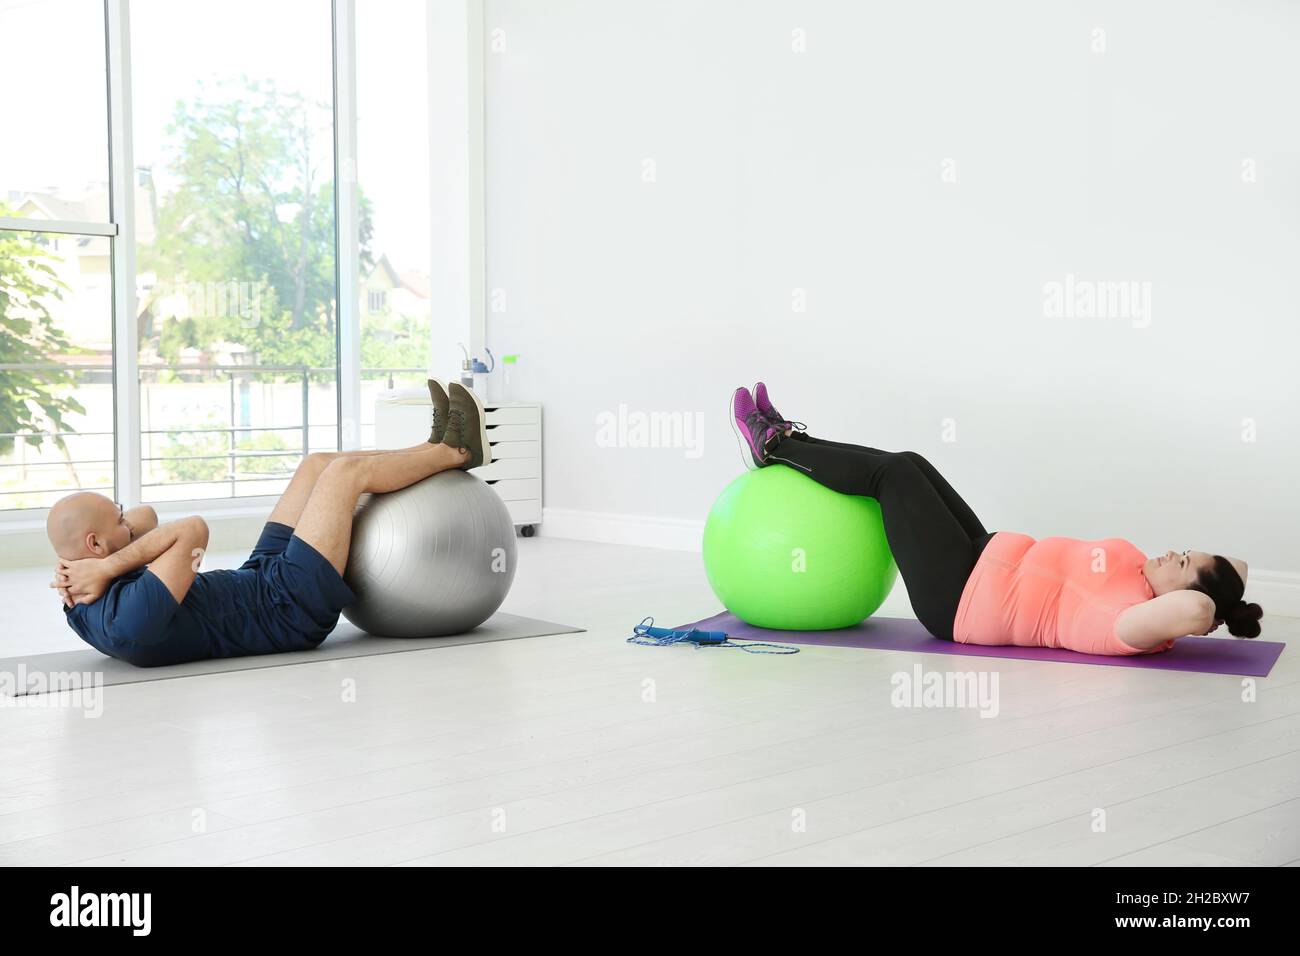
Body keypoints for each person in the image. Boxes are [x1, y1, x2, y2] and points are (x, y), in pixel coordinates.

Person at [729, 382, 1263, 655]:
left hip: (958, 601)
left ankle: (773, 445)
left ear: (1183, 593)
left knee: (889, 479)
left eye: (1184, 561)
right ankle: (790, 437)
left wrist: (1218, 608)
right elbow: (1226, 574)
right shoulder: (1139, 574)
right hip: (982, 555)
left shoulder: (1127, 621)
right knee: (910, 464)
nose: (1173, 552)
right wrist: (1224, 591)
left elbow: (1197, 608)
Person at [47, 380, 487, 667]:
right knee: (342, 476)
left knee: (315, 465)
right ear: (97, 544)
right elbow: (193, 529)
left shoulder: (81, 593)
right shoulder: (131, 616)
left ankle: (430, 447)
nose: (130, 519)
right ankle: (457, 453)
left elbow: (146, 519)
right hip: (287, 609)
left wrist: (93, 563)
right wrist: (103, 567)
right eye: (117, 519)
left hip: (258, 579)